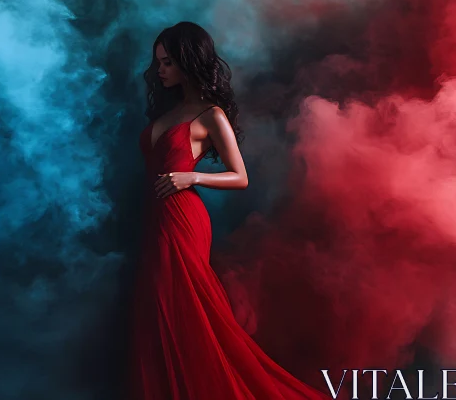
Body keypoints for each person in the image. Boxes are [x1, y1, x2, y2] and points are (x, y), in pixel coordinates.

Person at [129, 21, 331, 399]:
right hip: (155, 217)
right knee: (158, 308)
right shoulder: (167, 112)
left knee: (186, 306)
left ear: (190, 62)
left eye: (169, 62)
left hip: (183, 218)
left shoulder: (211, 114)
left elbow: (240, 176)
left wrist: (194, 179)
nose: (161, 70)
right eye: (158, 62)